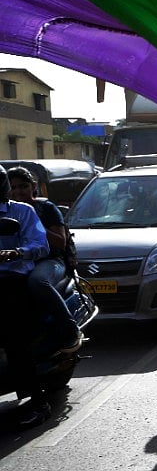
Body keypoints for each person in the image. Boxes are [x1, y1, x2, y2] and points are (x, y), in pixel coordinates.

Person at [0, 164, 55, 427]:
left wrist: (17, 252)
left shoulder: (22, 211)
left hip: (11, 278)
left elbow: (40, 243)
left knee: (14, 339)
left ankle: (39, 402)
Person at [6, 166, 83, 352]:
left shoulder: (45, 208)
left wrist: (33, 222)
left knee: (37, 281)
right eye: (13, 187)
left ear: (34, 186)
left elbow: (60, 242)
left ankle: (69, 328)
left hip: (49, 261)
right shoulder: (7, 211)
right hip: (18, 261)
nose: (18, 192)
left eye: (23, 186)